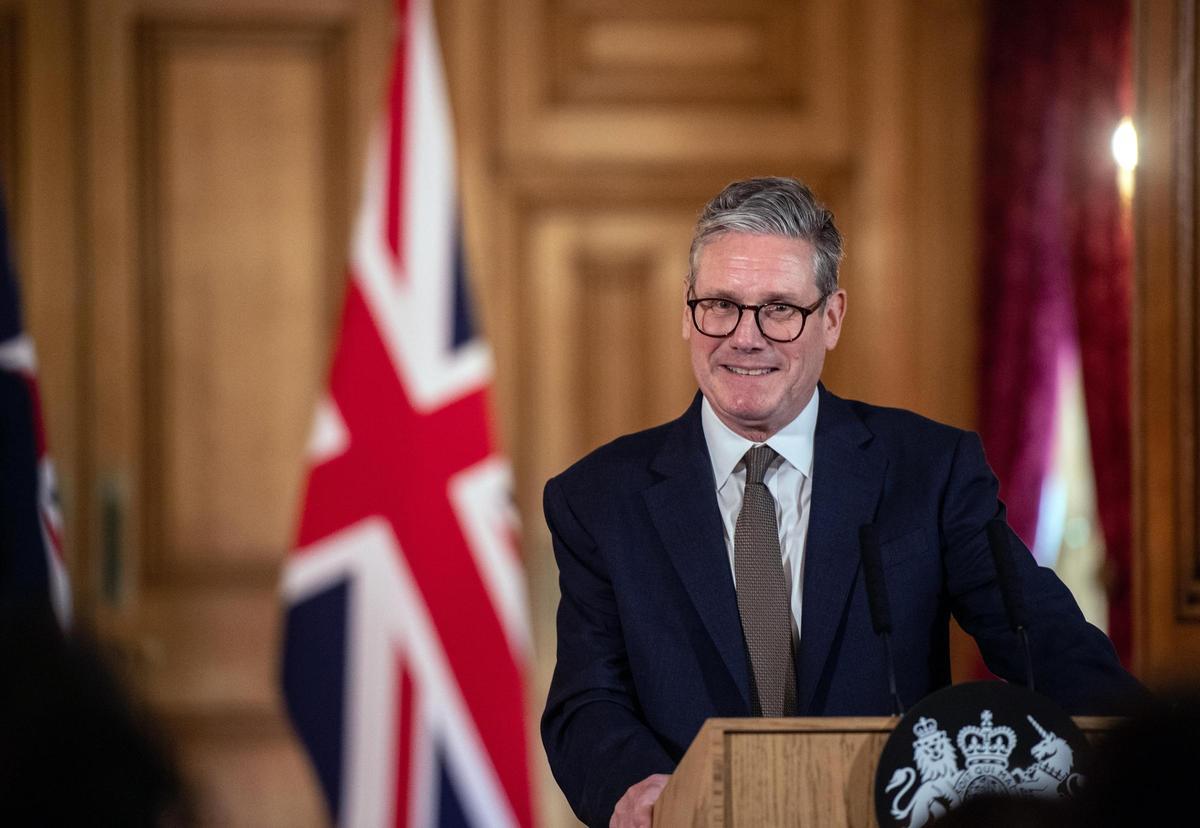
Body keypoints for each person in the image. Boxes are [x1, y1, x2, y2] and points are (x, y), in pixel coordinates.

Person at [540, 177, 1141, 828]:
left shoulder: (928, 472)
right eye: (721, 305)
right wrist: (638, 789)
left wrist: (1149, 764)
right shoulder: (599, 498)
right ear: (687, 313)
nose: (746, 337)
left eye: (779, 309)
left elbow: (1044, 644)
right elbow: (587, 700)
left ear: (831, 318)